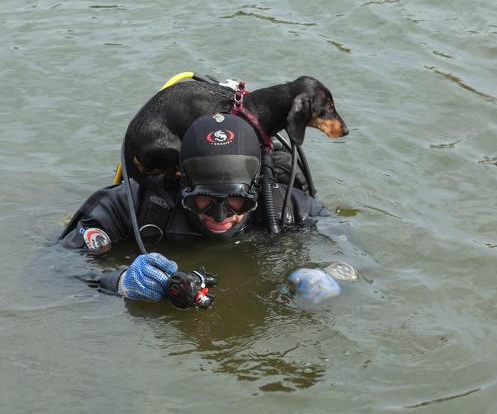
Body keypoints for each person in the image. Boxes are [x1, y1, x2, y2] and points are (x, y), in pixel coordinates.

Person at [59, 113, 332, 307]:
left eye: (236, 200)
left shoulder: (291, 207)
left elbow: (348, 249)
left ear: (257, 188)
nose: (220, 216)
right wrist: (118, 281)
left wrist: (330, 274)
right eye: (204, 199)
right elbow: (57, 269)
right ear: (182, 183)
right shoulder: (134, 204)